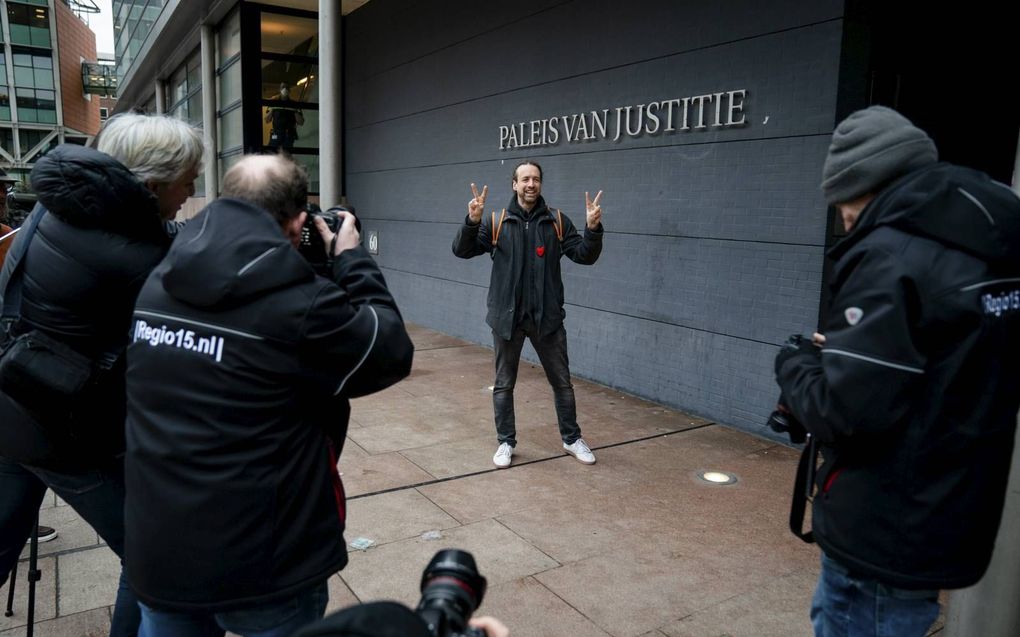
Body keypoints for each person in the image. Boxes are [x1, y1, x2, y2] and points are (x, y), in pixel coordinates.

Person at [123, 154, 414, 637]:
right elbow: (387, 350)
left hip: (161, 547)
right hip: (263, 561)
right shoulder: (298, 303)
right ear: (299, 222)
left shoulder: (162, 276)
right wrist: (351, 257)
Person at [773, 106, 1020, 636]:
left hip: (882, 526)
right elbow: (940, 370)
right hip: (943, 512)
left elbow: (844, 411)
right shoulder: (986, 243)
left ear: (863, 183)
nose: (841, 218)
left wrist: (794, 363)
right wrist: (853, 350)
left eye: (841, 203)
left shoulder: (890, 254)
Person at [0, 113, 203, 635]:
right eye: (189, 178)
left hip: (14, 401)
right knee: (153, 555)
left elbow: (155, 236)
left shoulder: (63, 204)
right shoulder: (132, 252)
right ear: (153, 184)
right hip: (60, 428)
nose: (194, 188)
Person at [453, 161, 604, 468]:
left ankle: (571, 438)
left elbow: (584, 256)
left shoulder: (556, 222)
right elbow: (462, 250)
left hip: (546, 319)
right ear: (515, 184)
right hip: (507, 319)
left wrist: (592, 229)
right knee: (504, 384)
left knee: (562, 383)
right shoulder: (497, 221)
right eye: (525, 179)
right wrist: (472, 221)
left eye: (535, 179)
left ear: (540, 185)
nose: (530, 184)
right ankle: (505, 442)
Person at [265, 82, 305, 151]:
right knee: (271, 154)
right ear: (279, 89)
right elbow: (267, 120)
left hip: (288, 135)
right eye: (283, 87)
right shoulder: (274, 102)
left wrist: (294, 110)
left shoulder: (294, 104)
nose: (285, 89)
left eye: (287, 87)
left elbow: (301, 122)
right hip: (276, 133)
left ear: (289, 90)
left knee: (286, 156)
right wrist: (273, 109)